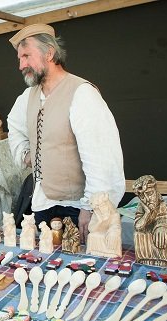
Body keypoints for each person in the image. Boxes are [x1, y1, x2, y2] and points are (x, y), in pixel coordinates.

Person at [7, 24, 125, 243]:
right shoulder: (28, 96)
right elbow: (13, 125)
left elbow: (101, 158)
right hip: (42, 204)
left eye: (26, 56)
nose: (21, 65)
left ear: (49, 53)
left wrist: (90, 207)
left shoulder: (82, 93)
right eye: (19, 58)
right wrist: (26, 154)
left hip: (77, 207)